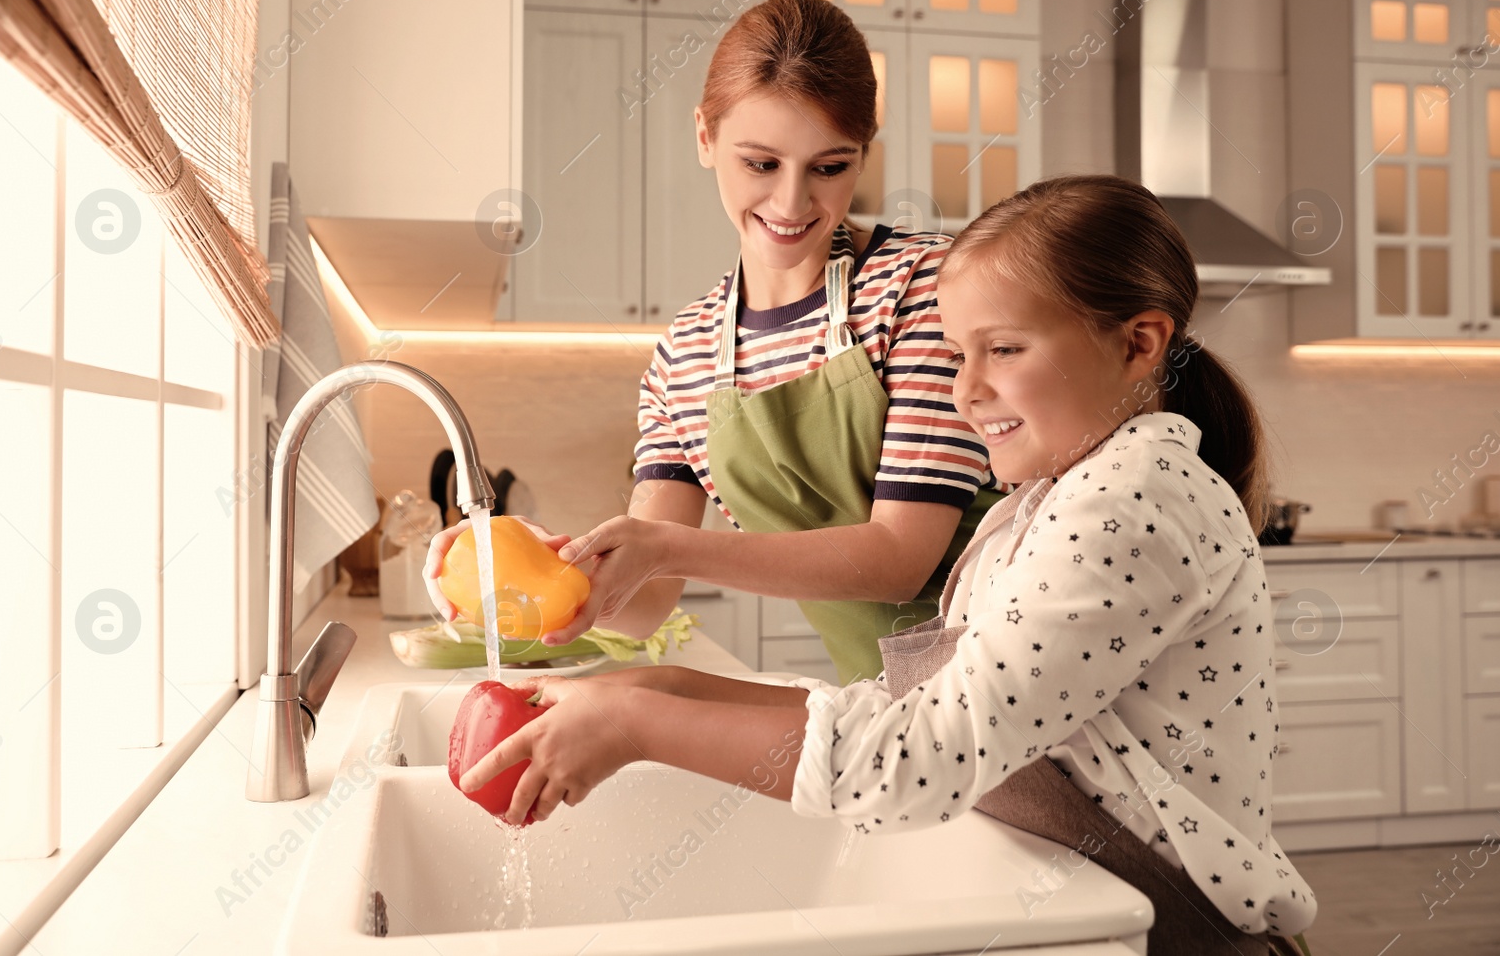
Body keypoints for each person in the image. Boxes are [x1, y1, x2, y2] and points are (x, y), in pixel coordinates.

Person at [458, 175, 1318, 956]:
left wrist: (635, 727)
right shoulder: (1053, 499)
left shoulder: (1135, 501)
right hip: (1094, 910)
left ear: (1138, 346)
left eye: (1003, 349)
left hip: (1172, 933)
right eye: (959, 353)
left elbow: (922, 755)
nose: (964, 389)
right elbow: (921, 712)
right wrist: (652, 693)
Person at [428, 0, 1005, 685]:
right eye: (761, 163)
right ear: (704, 136)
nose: (792, 204)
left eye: (830, 167)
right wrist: (535, 570)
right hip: (895, 714)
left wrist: (665, 546)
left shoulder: (924, 286)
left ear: (863, 154)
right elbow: (644, 605)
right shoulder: (687, 355)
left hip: (1031, 687)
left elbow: (898, 559)